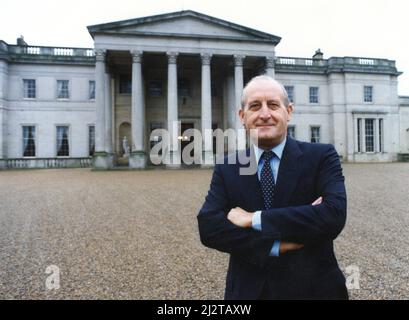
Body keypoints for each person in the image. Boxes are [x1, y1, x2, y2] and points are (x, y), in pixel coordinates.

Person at [197, 75, 348, 300]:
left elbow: (333, 216)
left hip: (315, 290)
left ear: (289, 112)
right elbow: (209, 228)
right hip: (249, 292)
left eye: (274, 105)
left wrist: (253, 219)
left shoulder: (321, 157)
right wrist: (275, 245)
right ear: (242, 116)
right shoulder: (228, 166)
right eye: (255, 106)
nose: (265, 114)